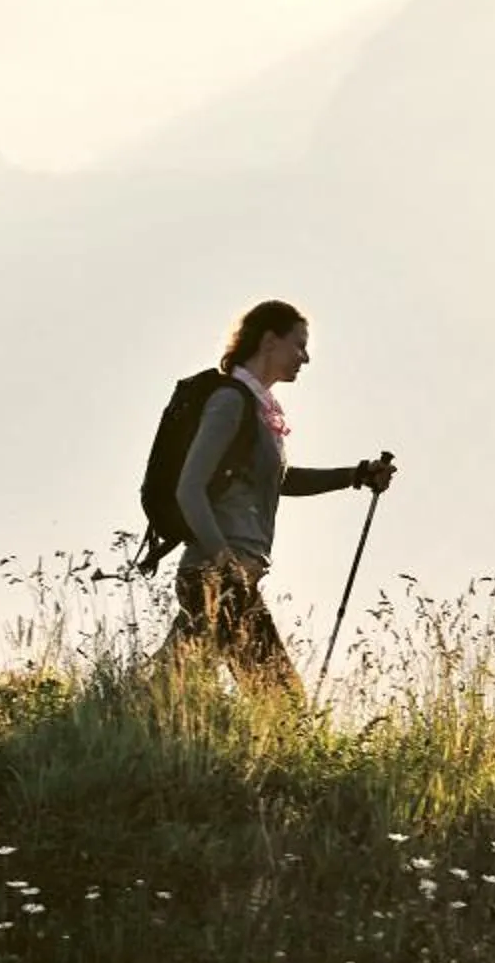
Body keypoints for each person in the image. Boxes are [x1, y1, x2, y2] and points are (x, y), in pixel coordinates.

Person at [162, 299, 393, 698]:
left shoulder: (259, 411)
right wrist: (224, 561)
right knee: (283, 702)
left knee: (168, 689)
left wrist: (355, 475)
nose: (305, 357)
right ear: (269, 341)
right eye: (299, 344)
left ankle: (96, 716)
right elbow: (189, 488)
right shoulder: (231, 402)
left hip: (228, 576)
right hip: (217, 576)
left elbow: (279, 480)